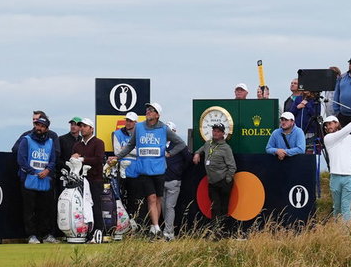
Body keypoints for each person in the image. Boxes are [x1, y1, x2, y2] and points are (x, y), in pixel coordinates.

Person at [114, 101, 187, 237]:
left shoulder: (164, 129)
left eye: (151, 110)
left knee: (158, 199)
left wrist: (170, 153)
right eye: (147, 109)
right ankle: (156, 227)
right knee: (151, 198)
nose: (148, 111)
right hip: (144, 170)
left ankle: (155, 227)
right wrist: (117, 157)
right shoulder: (139, 127)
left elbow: (181, 143)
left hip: (159, 170)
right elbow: (130, 145)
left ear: (157, 115)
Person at [13, 112, 60, 243]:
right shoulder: (26, 139)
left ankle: (45, 235)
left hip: (45, 179)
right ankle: (31, 235)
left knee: (45, 209)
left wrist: (47, 170)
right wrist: (32, 171)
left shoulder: (50, 141)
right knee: (29, 209)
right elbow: (21, 159)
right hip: (28, 179)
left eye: (42, 126)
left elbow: (52, 159)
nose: (39, 128)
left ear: (46, 128)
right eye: (37, 125)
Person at [197, 121, 237, 237]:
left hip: (223, 182)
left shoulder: (226, 148)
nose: (215, 133)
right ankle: (215, 232)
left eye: (218, 131)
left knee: (223, 208)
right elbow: (201, 149)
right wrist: (197, 154)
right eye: (214, 130)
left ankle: (223, 232)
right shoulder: (208, 144)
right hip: (212, 182)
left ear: (223, 134)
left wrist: (227, 180)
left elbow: (232, 166)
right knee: (215, 208)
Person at [71, 118, 108, 242]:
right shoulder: (77, 145)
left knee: (95, 206)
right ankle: (86, 233)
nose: (82, 128)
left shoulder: (98, 143)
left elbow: (98, 159)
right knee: (82, 207)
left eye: (85, 126)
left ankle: (98, 232)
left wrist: (82, 159)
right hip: (81, 180)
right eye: (81, 126)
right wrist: (74, 158)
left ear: (91, 128)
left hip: (95, 179)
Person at [284, 79, 319, 150]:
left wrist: (307, 105)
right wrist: (297, 107)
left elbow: (315, 115)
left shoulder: (315, 100)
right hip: (298, 130)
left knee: (309, 150)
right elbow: (291, 114)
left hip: (310, 132)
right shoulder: (298, 99)